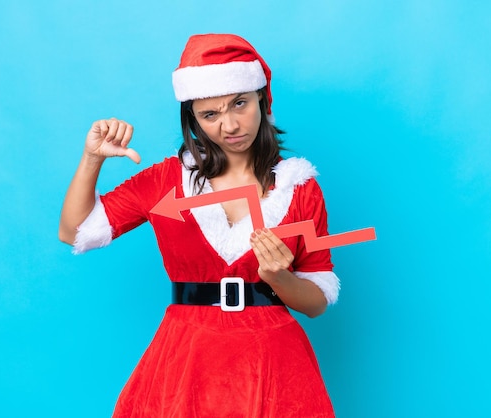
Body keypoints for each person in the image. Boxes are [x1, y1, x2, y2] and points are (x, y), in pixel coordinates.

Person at [59, 33, 339, 418]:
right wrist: (92, 159)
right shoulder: (165, 180)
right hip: (185, 360)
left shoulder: (301, 187)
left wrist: (279, 278)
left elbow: (318, 302)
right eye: (210, 114)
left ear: (262, 97)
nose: (230, 125)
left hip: (274, 365)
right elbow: (75, 232)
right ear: (194, 120)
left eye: (240, 103)